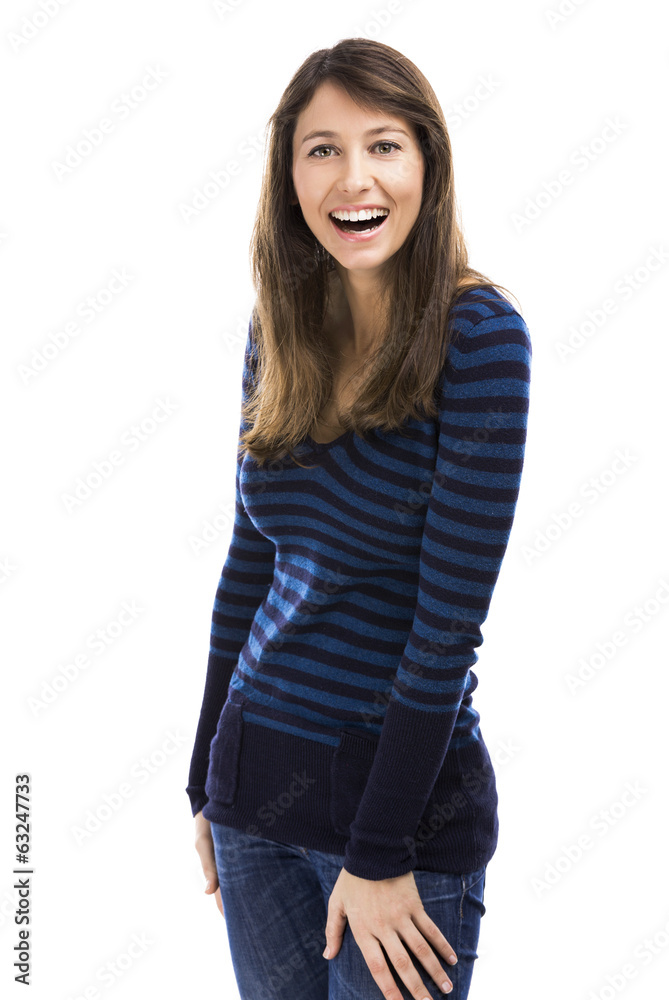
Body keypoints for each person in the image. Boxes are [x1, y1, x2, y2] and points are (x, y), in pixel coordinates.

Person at [186, 37, 532, 1000]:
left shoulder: (478, 339)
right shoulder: (280, 325)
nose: (353, 178)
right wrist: (205, 779)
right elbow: (251, 560)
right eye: (321, 150)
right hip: (253, 799)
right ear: (289, 175)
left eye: (382, 145)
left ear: (427, 163)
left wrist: (378, 853)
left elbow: (445, 627)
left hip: (398, 833)